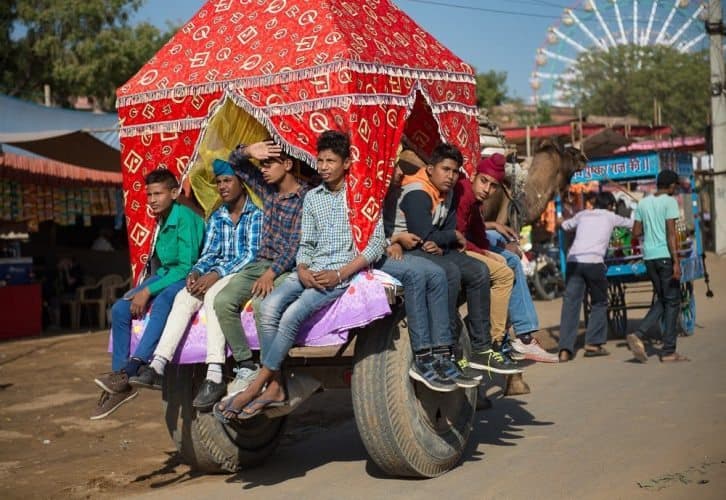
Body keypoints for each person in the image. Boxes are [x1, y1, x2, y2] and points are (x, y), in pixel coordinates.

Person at [216, 130, 386, 421]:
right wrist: (304, 268)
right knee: (267, 307)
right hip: (309, 270)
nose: (323, 167)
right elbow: (305, 244)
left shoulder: (360, 196)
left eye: (330, 161)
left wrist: (340, 273)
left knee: (292, 314)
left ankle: (259, 383)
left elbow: (376, 244)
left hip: (339, 273)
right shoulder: (313, 198)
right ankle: (276, 385)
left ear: (346, 163)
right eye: (320, 161)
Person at [129, 160, 263, 411]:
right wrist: (197, 271)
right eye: (219, 182)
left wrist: (214, 274)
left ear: (241, 184)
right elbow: (209, 251)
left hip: (240, 273)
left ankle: (214, 374)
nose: (223, 186)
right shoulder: (218, 216)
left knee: (213, 297)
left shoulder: (255, 215)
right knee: (183, 297)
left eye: (228, 181)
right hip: (214, 272)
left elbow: (250, 255)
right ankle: (158, 363)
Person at [390, 143, 520, 376]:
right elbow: (424, 236)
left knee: (479, 271)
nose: (450, 176)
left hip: (435, 248)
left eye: (455, 171)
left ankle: (482, 347)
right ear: (430, 169)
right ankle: (447, 349)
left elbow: (444, 233)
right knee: (449, 273)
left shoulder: (447, 193)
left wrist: (446, 238)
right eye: (445, 169)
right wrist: (449, 237)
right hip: (409, 249)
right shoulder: (419, 192)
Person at [91, 169, 204, 420]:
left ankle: (137, 363)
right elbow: (164, 267)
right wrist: (143, 289)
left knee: (163, 300)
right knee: (120, 308)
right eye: (149, 194)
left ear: (174, 193)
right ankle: (121, 378)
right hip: (166, 274)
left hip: (188, 275)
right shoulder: (161, 219)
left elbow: (186, 266)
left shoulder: (183, 216)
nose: (152, 199)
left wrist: (148, 291)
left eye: (158, 193)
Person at [211, 141, 308, 400]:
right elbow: (234, 163)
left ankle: (273, 378)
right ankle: (246, 365)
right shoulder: (267, 190)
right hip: (260, 264)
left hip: (286, 267)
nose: (263, 170)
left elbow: (295, 244)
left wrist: (271, 273)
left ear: (287, 164)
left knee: (262, 305)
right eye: (261, 164)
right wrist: (248, 152)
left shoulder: (306, 198)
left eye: (269, 164)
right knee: (222, 301)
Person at [378, 156, 478, 391]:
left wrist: (392, 241)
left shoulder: (444, 193)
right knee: (424, 273)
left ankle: (444, 352)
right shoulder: (410, 191)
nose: (401, 172)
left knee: (438, 273)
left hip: (391, 247)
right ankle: (423, 356)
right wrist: (392, 241)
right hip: (373, 253)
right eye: (395, 166)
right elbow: (365, 235)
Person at [456, 153, 555, 367]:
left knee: (509, 257)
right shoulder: (464, 195)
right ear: (474, 177)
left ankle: (523, 334)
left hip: (466, 244)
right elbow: (459, 238)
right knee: (503, 270)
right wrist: (488, 253)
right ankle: (495, 340)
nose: (486, 189)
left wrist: (492, 239)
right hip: (451, 249)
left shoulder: (476, 202)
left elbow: (478, 236)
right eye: (483, 181)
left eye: (492, 186)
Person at [558, 192, 633, 361]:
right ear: (610, 206)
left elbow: (564, 226)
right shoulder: (611, 216)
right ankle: (593, 343)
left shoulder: (583, 214)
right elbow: (632, 224)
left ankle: (564, 349)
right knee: (599, 302)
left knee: (571, 304)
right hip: (594, 262)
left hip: (574, 261)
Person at [628, 170, 688, 363]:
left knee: (664, 299)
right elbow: (672, 233)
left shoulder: (644, 203)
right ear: (671, 186)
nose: (676, 189)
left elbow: (636, 232)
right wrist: (676, 262)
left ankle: (642, 335)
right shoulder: (669, 202)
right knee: (672, 301)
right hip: (664, 257)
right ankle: (665, 348)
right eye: (675, 186)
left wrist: (649, 223)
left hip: (649, 258)